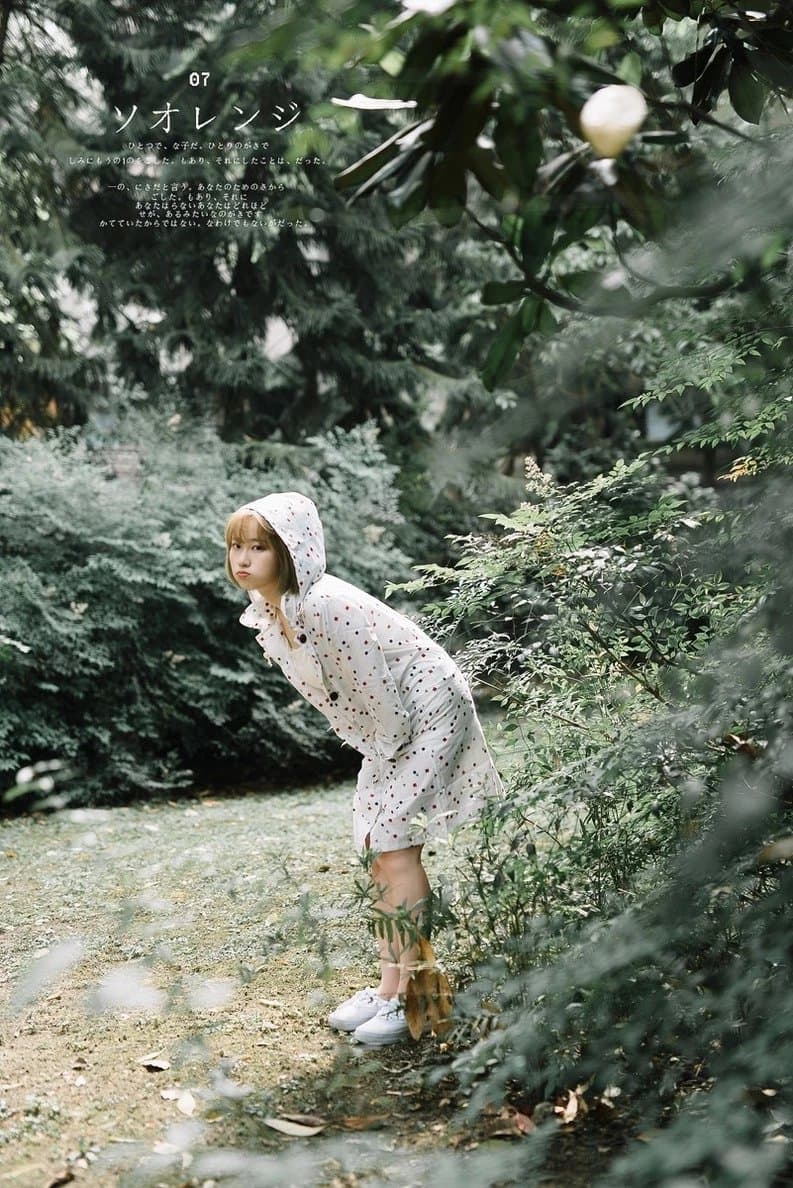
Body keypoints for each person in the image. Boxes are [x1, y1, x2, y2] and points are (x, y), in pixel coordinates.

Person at [225, 491, 503, 1047]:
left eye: (259, 547)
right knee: (374, 849)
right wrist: (377, 749)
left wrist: (386, 751)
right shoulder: (272, 611)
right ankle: (387, 987)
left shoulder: (326, 604)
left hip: (425, 710)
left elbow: (378, 691)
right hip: (388, 726)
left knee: (393, 843)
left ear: (291, 550)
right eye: (236, 547)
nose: (243, 559)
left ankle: (416, 997)